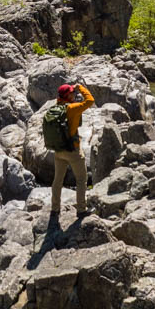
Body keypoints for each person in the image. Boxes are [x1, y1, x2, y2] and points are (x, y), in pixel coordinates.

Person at [51, 82, 94, 221]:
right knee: (81, 179)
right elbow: (90, 100)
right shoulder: (72, 108)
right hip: (73, 151)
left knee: (58, 180)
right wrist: (80, 87)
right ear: (67, 95)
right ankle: (81, 210)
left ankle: (55, 209)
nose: (74, 94)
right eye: (72, 93)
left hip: (58, 150)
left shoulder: (56, 108)